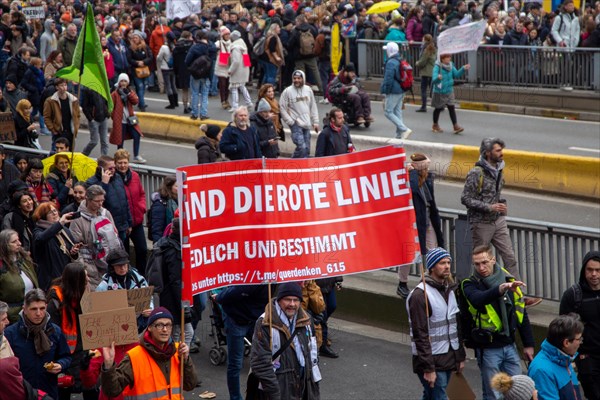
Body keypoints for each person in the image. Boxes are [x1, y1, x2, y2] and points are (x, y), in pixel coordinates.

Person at [461, 138, 541, 308]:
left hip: (498, 221)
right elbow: (465, 199)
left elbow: (495, 196)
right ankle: (482, 296)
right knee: (482, 262)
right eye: (497, 150)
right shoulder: (477, 173)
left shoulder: (499, 169)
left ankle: (518, 297)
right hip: (481, 223)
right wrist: (490, 207)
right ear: (488, 153)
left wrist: (502, 206)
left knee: (510, 257)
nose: (501, 153)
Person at [461, 244, 536, 400]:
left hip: (509, 345)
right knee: (494, 395)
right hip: (488, 348)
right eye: (477, 264)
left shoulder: (507, 277)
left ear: (493, 260)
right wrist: (500, 289)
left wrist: (528, 343)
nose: (481, 267)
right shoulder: (469, 283)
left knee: (519, 392)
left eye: (485, 262)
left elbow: (520, 312)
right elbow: (477, 300)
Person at [407, 248, 466, 399]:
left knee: (431, 396)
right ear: (432, 266)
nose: (447, 266)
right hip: (432, 361)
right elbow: (420, 334)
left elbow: (455, 326)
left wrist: (460, 357)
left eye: (448, 262)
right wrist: (428, 368)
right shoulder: (420, 296)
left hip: (449, 357)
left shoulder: (451, 290)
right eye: (442, 263)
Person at [101, 306, 198, 398]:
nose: (165, 329)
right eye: (159, 325)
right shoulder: (134, 357)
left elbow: (190, 385)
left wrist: (186, 360)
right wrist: (109, 367)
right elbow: (112, 391)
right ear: (150, 328)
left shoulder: (179, 351)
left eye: (168, 325)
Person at [250, 282, 321, 399]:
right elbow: (260, 363)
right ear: (279, 300)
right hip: (279, 389)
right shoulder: (265, 323)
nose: (292, 304)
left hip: (304, 387)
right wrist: (274, 393)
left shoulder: (307, 319)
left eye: (296, 300)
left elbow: (313, 351)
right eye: (287, 300)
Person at [4, 289, 72, 400]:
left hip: (49, 392)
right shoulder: (11, 334)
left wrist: (60, 365)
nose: (38, 313)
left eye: (42, 308)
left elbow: (66, 356)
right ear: (24, 309)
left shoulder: (55, 331)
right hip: (22, 392)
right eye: (34, 309)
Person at [46, 262, 96, 400]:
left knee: (91, 388)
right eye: (85, 279)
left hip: (84, 353)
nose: (89, 281)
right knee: (65, 391)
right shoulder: (55, 304)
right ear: (76, 282)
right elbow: (54, 337)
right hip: (66, 356)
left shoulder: (84, 296)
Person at [398, 153, 444, 298]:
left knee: (434, 251)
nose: (428, 170)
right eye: (425, 168)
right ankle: (402, 283)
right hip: (413, 222)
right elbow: (411, 188)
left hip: (428, 220)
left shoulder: (428, 180)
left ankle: (433, 280)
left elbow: (432, 202)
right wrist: (411, 173)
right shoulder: (409, 180)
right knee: (409, 253)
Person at [214, 284, 269, 400]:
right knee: (235, 363)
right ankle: (235, 397)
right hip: (237, 319)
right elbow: (234, 292)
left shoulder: (273, 278)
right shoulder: (254, 276)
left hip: (255, 319)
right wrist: (219, 297)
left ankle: (259, 395)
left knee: (264, 359)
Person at [559, 250, 600, 400]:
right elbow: (563, 329)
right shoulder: (573, 295)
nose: (594, 274)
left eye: (598, 270)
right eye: (590, 270)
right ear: (584, 270)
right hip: (587, 357)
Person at [69, 185, 123, 289]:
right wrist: (83, 270)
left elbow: (115, 236)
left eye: (102, 200)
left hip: (109, 263)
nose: (100, 204)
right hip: (91, 267)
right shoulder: (77, 219)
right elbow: (76, 248)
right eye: (97, 201)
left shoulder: (106, 213)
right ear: (87, 199)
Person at [528, 314, 583, 400]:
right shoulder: (542, 371)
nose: (580, 342)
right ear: (566, 343)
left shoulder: (565, 358)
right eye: (579, 339)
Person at [96, 248, 153, 331]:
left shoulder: (138, 279)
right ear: (112, 267)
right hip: (115, 326)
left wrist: (149, 308)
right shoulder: (104, 286)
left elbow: (148, 296)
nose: (122, 268)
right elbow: (98, 309)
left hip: (139, 324)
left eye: (124, 265)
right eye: (119, 265)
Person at [31, 202, 80, 291]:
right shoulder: (38, 232)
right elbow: (41, 239)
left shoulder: (64, 230)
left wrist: (73, 252)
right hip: (51, 282)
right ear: (43, 217)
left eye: (55, 210)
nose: (55, 213)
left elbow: (68, 252)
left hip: (66, 278)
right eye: (50, 212)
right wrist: (60, 223)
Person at [113, 149, 147, 274]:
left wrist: (142, 207)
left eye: (125, 163)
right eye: (120, 163)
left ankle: (141, 275)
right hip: (122, 223)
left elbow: (142, 194)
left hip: (136, 221)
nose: (123, 166)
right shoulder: (114, 179)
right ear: (115, 163)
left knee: (142, 250)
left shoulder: (135, 176)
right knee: (124, 253)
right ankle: (127, 276)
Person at [0, 229, 38, 323]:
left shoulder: (25, 259)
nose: (19, 243)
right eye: (14, 241)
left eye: (18, 240)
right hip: (12, 317)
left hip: (31, 310)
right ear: (5, 245)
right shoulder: (1, 267)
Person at [280, 70, 320, 158]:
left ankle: (300, 166)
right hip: (295, 124)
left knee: (307, 149)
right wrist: (290, 121)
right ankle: (293, 165)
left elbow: (313, 105)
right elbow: (282, 107)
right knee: (302, 147)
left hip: (306, 123)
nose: (296, 80)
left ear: (303, 79)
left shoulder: (308, 90)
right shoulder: (287, 91)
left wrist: (316, 122)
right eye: (294, 78)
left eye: (299, 78)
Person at [110, 73, 146, 164]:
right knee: (120, 141)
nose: (123, 83)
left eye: (125, 81)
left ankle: (136, 156)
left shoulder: (130, 91)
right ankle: (119, 158)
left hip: (130, 120)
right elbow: (110, 107)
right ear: (119, 82)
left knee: (137, 135)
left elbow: (136, 101)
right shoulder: (115, 94)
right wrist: (114, 116)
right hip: (120, 121)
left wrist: (129, 94)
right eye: (121, 81)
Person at [431, 53, 469, 134]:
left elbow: (456, 74)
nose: (449, 59)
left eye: (449, 57)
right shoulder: (437, 67)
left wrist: (463, 68)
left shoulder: (451, 65)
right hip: (440, 92)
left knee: (451, 107)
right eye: (447, 57)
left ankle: (455, 126)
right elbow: (434, 80)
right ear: (442, 59)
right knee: (438, 108)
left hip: (449, 90)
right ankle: (435, 124)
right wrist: (438, 78)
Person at [381, 42, 412, 140]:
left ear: (390, 50)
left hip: (394, 90)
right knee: (397, 112)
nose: (386, 51)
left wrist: (385, 91)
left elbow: (388, 79)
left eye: (387, 50)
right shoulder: (400, 59)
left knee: (388, 112)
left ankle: (404, 129)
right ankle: (399, 136)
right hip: (401, 89)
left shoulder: (390, 62)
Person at [185, 30, 217, 121]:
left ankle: (194, 114)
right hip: (206, 74)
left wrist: (191, 68)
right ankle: (203, 114)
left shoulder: (194, 47)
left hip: (195, 74)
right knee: (205, 95)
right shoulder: (210, 48)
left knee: (195, 93)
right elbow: (212, 62)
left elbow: (187, 60)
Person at [43, 78, 80, 150]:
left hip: (70, 131)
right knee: (56, 151)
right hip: (59, 131)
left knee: (69, 153)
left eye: (65, 85)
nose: (64, 87)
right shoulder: (50, 101)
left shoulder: (73, 100)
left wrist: (76, 127)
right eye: (61, 85)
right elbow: (47, 117)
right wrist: (53, 129)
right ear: (57, 87)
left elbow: (77, 115)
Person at [126, 30, 152, 112]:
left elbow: (150, 57)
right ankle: (142, 105)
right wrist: (137, 63)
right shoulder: (130, 48)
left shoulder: (145, 47)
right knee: (140, 86)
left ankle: (140, 102)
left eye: (136, 37)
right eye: (133, 38)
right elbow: (129, 59)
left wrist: (144, 62)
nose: (134, 39)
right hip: (136, 71)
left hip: (144, 69)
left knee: (143, 86)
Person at [81, 86, 110, 157]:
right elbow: (84, 106)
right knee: (94, 141)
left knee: (105, 142)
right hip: (94, 119)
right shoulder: (87, 90)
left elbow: (107, 101)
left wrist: (107, 113)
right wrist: (90, 119)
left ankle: (104, 158)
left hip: (103, 118)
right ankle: (84, 154)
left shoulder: (102, 88)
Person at [228, 30, 252, 113]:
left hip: (237, 71)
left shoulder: (235, 48)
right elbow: (246, 59)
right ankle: (249, 102)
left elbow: (236, 61)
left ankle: (235, 106)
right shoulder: (243, 45)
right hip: (244, 69)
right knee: (242, 86)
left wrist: (230, 70)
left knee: (234, 87)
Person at [149, 175, 178, 243]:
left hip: (172, 240)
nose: (180, 188)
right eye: (176, 186)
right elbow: (157, 228)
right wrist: (159, 246)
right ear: (169, 187)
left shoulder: (176, 199)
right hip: (164, 241)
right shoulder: (159, 204)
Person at [172, 30, 194, 114]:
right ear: (188, 37)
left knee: (184, 89)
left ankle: (185, 106)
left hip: (181, 70)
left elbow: (174, 60)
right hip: (190, 68)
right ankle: (192, 106)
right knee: (192, 89)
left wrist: (176, 70)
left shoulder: (176, 47)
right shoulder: (191, 46)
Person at [415, 34, 436, 113]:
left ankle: (424, 106)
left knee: (424, 90)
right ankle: (440, 104)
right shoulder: (434, 49)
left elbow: (423, 61)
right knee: (433, 90)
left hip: (426, 72)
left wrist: (417, 63)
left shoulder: (426, 50)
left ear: (425, 40)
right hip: (433, 72)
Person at [215, 27, 232, 110]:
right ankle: (223, 101)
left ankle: (227, 100)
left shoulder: (232, 43)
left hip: (229, 66)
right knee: (222, 85)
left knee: (228, 85)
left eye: (229, 34)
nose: (228, 36)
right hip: (221, 66)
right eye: (226, 34)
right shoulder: (218, 43)